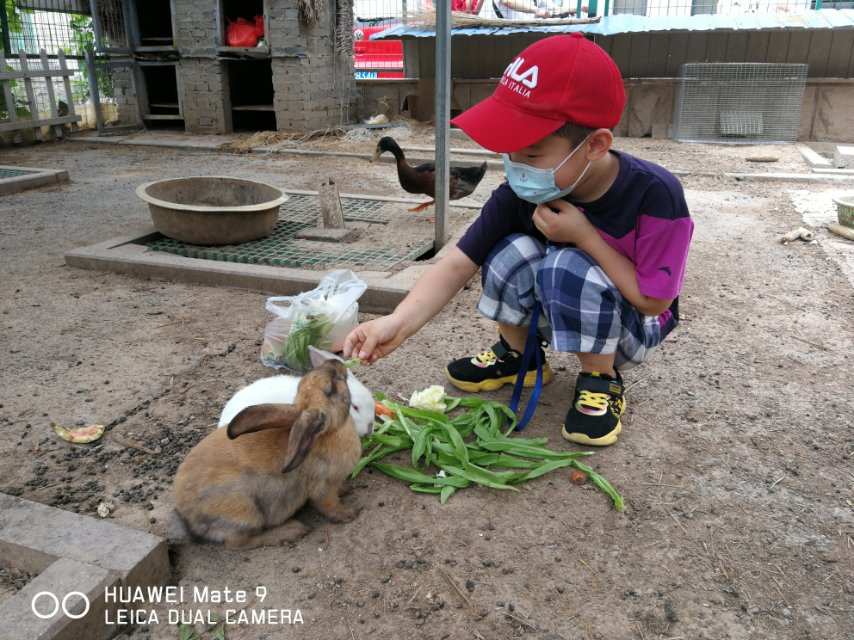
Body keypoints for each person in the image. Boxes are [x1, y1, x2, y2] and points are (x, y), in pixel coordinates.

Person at [344, 34, 693, 447]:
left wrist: (584, 236)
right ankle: (518, 359)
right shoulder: (524, 192)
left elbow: (654, 302)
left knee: (567, 264)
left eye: (530, 155)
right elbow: (458, 262)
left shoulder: (655, 194)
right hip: (571, 305)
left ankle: (601, 379)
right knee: (509, 253)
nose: (514, 167)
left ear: (595, 145)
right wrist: (396, 323)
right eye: (508, 152)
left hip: (635, 326)